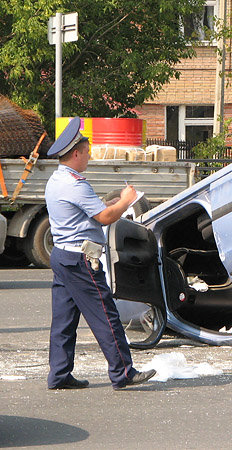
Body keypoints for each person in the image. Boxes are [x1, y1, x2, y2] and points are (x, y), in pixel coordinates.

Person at [45, 117, 155, 390]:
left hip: (63, 256)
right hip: (81, 260)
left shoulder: (57, 179)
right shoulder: (75, 184)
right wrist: (126, 201)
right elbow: (105, 217)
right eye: (86, 151)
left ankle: (59, 374)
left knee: (63, 320)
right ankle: (123, 372)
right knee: (106, 315)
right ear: (75, 153)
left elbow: (88, 211)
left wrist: (112, 203)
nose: (89, 156)